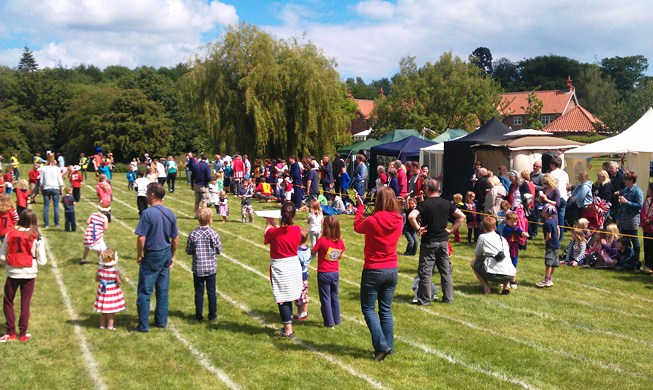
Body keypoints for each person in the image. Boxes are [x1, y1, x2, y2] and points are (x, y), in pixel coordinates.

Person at [353, 187, 403, 361]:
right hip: (392, 268)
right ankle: (389, 346)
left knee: (368, 308)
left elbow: (357, 227)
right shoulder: (399, 220)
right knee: (386, 310)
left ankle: (382, 346)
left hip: (374, 268)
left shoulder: (373, 220)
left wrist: (360, 207)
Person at [409, 179, 464, 305]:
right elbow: (461, 216)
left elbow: (412, 216)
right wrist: (451, 230)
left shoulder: (425, 204)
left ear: (427, 190)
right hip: (443, 241)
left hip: (429, 242)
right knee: (445, 271)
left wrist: (418, 228)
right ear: (439, 189)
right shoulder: (446, 203)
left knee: (426, 272)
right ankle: (448, 298)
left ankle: (425, 299)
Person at [134, 183, 179, 332]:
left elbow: (141, 238)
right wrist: (172, 256)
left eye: (147, 194)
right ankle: (161, 321)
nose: (146, 196)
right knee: (162, 291)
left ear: (152, 195)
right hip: (165, 253)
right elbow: (176, 238)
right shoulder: (170, 213)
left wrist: (139, 255)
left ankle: (143, 325)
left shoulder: (147, 214)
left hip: (152, 254)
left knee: (145, 291)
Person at [0, 209, 46, 342]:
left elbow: (2, 255)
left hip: (13, 272)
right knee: (25, 303)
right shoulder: (36, 236)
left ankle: (11, 332)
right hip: (29, 272)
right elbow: (42, 261)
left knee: (8, 301)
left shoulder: (10, 233)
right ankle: (23, 333)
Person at [264, 202, 303, 338]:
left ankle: (288, 330)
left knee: (282, 298)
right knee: (288, 296)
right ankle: (288, 324)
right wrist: (274, 226)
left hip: (280, 267)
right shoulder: (297, 230)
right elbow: (284, 232)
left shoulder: (273, 232)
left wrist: (269, 224)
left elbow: (268, 237)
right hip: (293, 265)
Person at [186, 207, 222, 322]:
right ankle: (212, 315)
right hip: (210, 267)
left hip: (198, 268)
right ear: (210, 220)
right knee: (211, 292)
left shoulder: (193, 234)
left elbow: (188, 250)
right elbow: (219, 249)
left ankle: (199, 315)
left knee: (199, 292)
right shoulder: (213, 234)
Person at [312, 216, 345, 328]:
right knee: (334, 296)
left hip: (324, 272)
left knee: (325, 298)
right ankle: (337, 319)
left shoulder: (322, 240)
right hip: (335, 272)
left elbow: (313, 251)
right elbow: (340, 256)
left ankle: (329, 322)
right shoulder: (339, 241)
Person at [471, 216, 515, 295]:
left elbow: (477, 256)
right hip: (510, 274)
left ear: (483, 227)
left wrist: (484, 258)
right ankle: (506, 285)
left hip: (492, 274)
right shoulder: (502, 239)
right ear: (495, 227)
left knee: (473, 262)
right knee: (505, 261)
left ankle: (486, 287)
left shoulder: (482, 237)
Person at [93, 249, 126, 330]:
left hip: (103, 290)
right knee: (111, 310)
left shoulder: (100, 269)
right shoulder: (115, 271)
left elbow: (97, 279)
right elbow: (119, 281)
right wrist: (120, 279)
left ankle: (102, 326)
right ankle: (110, 326)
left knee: (103, 311)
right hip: (112, 291)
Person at [616, 172, 643, 262]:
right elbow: (621, 206)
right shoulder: (625, 190)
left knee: (634, 240)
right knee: (625, 241)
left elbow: (639, 205)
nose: (624, 181)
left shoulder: (637, 191)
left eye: (626, 179)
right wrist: (618, 218)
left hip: (632, 219)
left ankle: (636, 259)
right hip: (624, 219)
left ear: (631, 180)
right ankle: (626, 258)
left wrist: (627, 202)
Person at [501, 211, 529, 288]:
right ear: (506, 221)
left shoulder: (516, 227)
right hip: (507, 250)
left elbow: (518, 230)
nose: (514, 223)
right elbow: (515, 231)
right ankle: (504, 280)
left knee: (514, 265)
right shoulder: (506, 228)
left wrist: (523, 233)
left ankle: (513, 281)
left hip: (514, 250)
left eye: (515, 222)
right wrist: (521, 232)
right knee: (505, 265)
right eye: (512, 222)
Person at [536, 204, 560, 288]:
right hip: (556, 245)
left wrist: (545, 241)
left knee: (548, 264)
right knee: (553, 263)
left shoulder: (547, 223)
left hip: (551, 245)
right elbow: (558, 229)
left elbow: (549, 235)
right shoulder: (553, 220)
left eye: (542, 210)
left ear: (546, 212)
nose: (541, 212)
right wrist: (557, 238)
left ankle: (546, 280)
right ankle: (549, 278)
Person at [549, 157, 570, 241]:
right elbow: (567, 185)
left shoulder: (552, 173)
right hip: (564, 196)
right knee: (561, 218)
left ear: (553, 165)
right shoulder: (565, 173)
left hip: (556, 197)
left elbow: (551, 185)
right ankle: (560, 237)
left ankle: (555, 235)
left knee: (554, 217)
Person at [40, 157, 63, 228]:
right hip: (55, 188)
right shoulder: (57, 169)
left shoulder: (43, 169)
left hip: (46, 188)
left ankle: (46, 224)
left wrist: (41, 188)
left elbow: (41, 181)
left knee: (46, 206)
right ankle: (57, 223)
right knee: (56, 206)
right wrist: (61, 188)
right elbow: (60, 179)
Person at [294, 229, 311, 322]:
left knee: (298, 295)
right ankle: (305, 312)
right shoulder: (308, 249)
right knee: (304, 293)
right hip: (305, 274)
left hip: (298, 274)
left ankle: (300, 314)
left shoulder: (297, 250)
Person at [640, 183, 653, 274]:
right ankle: (647, 264)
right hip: (646, 227)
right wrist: (645, 219)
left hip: (651, 226)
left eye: (649, 189)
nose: (648, 190)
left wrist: (650, 220)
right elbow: (643, 211)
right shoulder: (648, 200)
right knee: (647, 247)